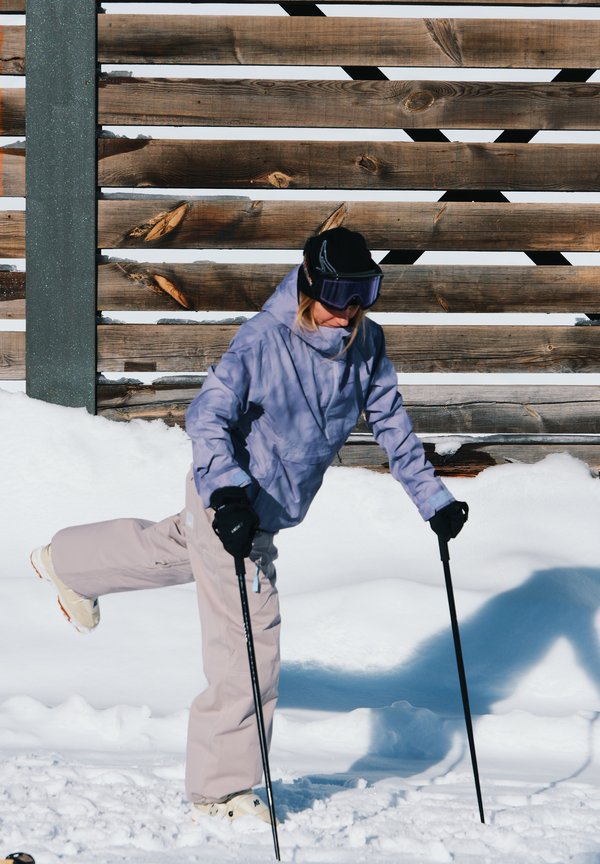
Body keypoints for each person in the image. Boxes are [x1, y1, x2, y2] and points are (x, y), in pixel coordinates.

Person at [30, 227, 468, 824]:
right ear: (309, 286)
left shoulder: (365, 343)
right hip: (229, 502)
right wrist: (229, 496)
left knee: (173, 550)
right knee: (248, 647)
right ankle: (221, 792)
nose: (348, 310)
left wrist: (433, 500)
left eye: (363, 293)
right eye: (338, 294)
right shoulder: (263, 341)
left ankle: (67, 562)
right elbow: (206, 416)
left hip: (262, 510)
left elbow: (391, 424)